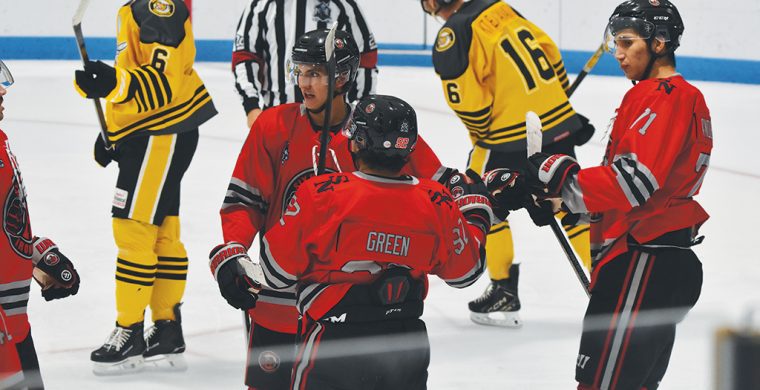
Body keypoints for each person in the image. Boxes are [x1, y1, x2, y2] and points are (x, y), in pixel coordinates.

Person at [210, 30, 452, 389]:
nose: (304, 83)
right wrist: (234, 251)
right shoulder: (273, 125)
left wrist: (475, 193)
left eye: (316, 73)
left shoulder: (375, 129)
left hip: (355, 307)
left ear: (342, 76)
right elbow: (245, 202)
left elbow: (439, 188)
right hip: (279, 299)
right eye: (300, 71)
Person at [212, 94, 501, 389]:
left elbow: (274, 271)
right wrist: (477, 213)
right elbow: (466, 272)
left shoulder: (320, 195)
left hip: (335, 345)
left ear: (356, 143)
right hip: (406, 344)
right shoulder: (437, 201)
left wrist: (229, 257)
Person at [519, 1, 710, 388]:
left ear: (659, 43)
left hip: (643, 260)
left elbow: (634, 182)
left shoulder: (664, 95)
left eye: (627, 42)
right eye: (615, 43)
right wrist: (564, 201)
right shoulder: (666, 96)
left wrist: (558, 175)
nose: (618, 53)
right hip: (651, 258)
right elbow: (638, 189)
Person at [419, 0, 596, 327]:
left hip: (508, 132)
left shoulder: (454, 32)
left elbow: (470, 103)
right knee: (567, 202)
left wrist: (483, 133)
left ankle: (503, 289)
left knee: (481, 197)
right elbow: (550, 52)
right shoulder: (501, 8)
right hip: (556, 119)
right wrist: (551, 100)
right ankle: (606, 284)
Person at [73, 0, 217, 374]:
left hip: (161, 132)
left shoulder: (157, 7)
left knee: (133, 228)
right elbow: (144, 80)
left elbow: (163, 84)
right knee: (161, 231)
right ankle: (166, 330)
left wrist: (113, 84)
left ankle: (129, 332)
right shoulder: (139, 6)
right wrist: (117, 132)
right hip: (159, 132)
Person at [0, 60, 81, 389]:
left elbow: (9, 222)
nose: (3, 90)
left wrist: (36, 255)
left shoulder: (1, 139)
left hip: (14, 324)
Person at [233, 0, 378, 127]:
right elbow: (244, 57)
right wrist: (251, 107)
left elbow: (364, 59)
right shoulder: (261, 6)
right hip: (276, 119)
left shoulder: (344, 6)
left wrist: (360, 110)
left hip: (332, 124)